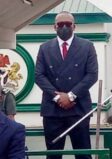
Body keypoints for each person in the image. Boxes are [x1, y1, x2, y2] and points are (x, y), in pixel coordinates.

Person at [35, 11, 98, 159]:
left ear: (74, 26)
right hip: (52, 111)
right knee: (53, 155)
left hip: (78, 109)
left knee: (83, 154)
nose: (64, 27)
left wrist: (70, 96)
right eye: (60, 24)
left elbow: (92, 75)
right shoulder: (44, 48)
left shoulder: (87, 46)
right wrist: (58, 97)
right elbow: (39, 75)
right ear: (54, 27)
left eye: (68, 24)